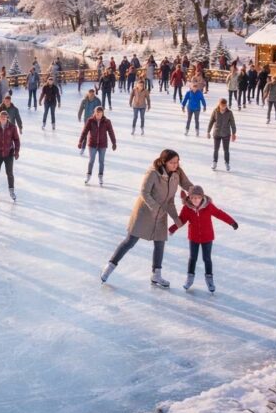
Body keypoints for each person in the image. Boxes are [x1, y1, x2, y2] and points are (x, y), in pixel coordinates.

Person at [101, 149, 193, 287]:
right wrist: (156, 208)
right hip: (145, 212)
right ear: (164, 162)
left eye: (177, 162)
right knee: (130, 241)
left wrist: (196, 194)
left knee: (160, 243)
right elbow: (144, 192)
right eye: (172, 162)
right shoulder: (153, 173)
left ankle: (156, 275)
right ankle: (109, 267)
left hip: (161, 213)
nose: (175, 165)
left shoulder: (177, 173)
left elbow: (186, 185)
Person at [168, 184, 239, 292]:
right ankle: (190, 278)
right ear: (189, 197)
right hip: (194, 237)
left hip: (207, 237)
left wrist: (231, 222)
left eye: (198, 197)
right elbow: (181, 220)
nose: (195, 200)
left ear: (202, 197)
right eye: (193, 198)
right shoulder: (187, 208)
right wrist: (172, 229)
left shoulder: (208, 206)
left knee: (207, 258)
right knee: (193, 258)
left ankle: (209, 280)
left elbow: (219, 214)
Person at [78, 105, 117, 186]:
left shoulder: (107, 121)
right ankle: (88, 175)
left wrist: (114, 143)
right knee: (91, 161)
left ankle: (100, 176)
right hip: (92, 144)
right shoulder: (90, 121)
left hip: (102, 145)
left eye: (100, 112)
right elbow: (85, 131)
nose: (98, 114)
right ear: (94, 113)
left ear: (103, 113)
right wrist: (80, 141)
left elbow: (111, 132)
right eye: (97, 112)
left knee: (101, 161)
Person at [206, 99, 237, 171]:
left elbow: (233, 124)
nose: (223, 107)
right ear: (219, 105)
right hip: (217, 133)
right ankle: (214, 162)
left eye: (225, 106)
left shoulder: (229, 113)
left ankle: (227, 163)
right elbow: (211, 121)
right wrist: (208, 132)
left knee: (226, 150)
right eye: (222, 105)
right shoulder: (215, 111)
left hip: (226, 134)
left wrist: (234, 133)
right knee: (216, 149)